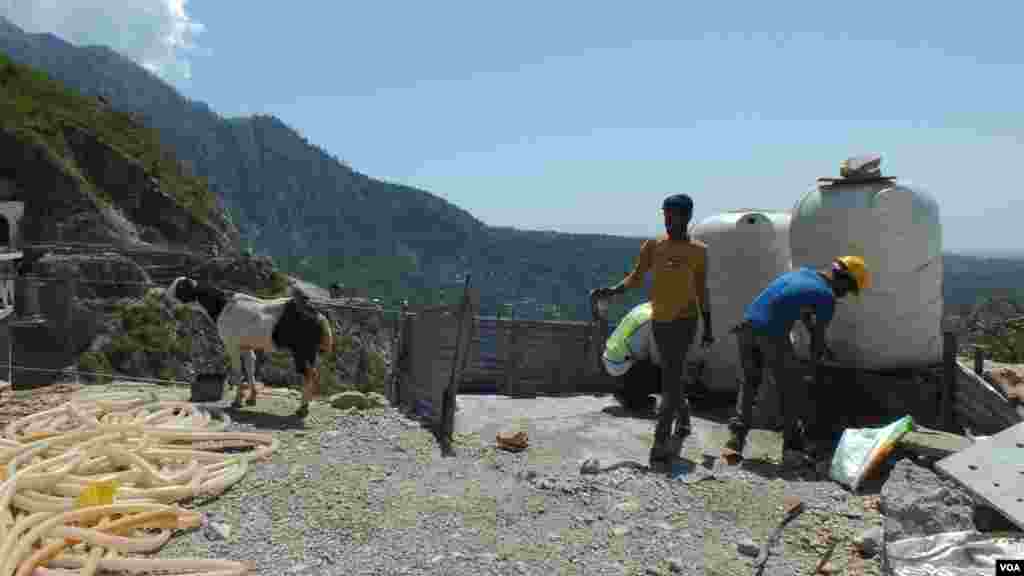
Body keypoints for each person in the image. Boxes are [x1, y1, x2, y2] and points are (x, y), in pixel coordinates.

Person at [592, 194, 714, 471]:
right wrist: (612, 291)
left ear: (687, 217)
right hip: (660, 321)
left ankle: (660, 446)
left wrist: (708, 326)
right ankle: (683, 421)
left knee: (670, 379)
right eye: (666, 215)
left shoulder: (699, 251)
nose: (669, 221)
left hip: (686, 322)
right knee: (673, 375)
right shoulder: (653, 246)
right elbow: (635, 278)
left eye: (674, 216)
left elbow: (701, 291)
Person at [723, 255, 871, 465]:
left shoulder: (802, 274)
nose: (843, 295)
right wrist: (813, 369)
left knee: (750, 383)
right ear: (844, 280)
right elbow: (816, 344)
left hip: (746, 327)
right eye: (847, 290)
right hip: (771, 333)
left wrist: (815, 337)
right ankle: (792, 449)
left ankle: (735, 441)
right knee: (791, 388)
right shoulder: (827, 297)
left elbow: (798, 309)